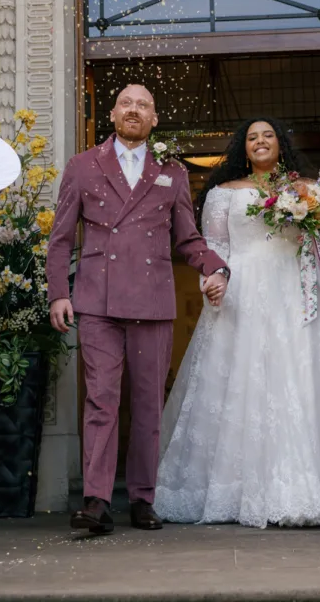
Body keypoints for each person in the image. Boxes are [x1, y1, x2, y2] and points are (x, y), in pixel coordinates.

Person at [153, 119, 320, 528]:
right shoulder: (223, 194)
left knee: (302, 379)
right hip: (244, 295)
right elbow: (214, 247)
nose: (260, 141)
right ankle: (238, 491)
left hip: (297, 292)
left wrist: (314, 224)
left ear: (281, 144)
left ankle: (315, 491)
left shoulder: (308, 189)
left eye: (268, 135)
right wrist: (213, 280)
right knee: (245, 383)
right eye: (252, 137)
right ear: (243, 148)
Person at [46, 84, 229, 534]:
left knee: (148, 404)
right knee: (101, 400)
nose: (133, 110)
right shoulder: (82, 166)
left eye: (143, 105)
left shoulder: (173, 171)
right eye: (126, 103)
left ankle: (144, 498)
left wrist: (215, 267)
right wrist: (58, 293)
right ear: (112, 114)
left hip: (153, 301)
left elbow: (187, 238)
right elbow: (61, 238)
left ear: (154, 119)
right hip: (97, 301)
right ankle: (96, 500)